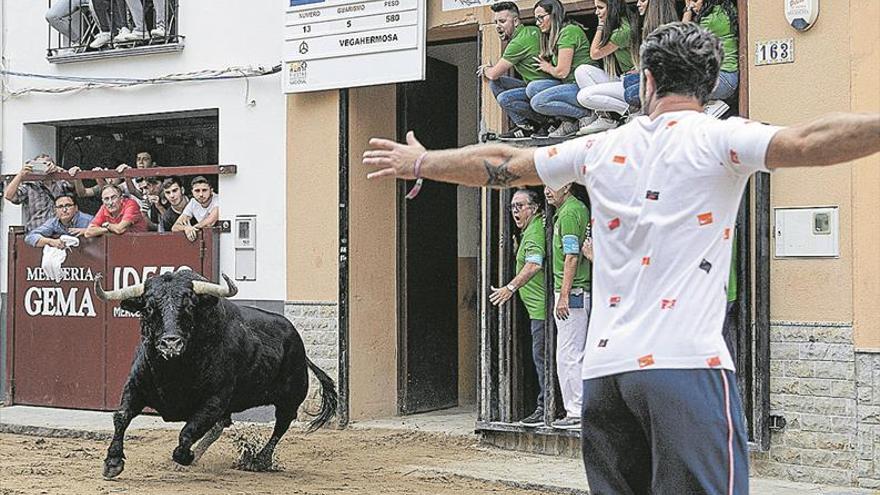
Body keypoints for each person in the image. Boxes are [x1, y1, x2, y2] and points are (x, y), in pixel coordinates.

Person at [362, 22, 880, 493]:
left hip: (607, 376)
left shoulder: (600, 146)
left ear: (647, 81)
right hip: (684, 366)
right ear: (708, 83)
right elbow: (812, 141)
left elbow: (505, 163)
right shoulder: (721, 137)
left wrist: (424, 161)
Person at [489, 189, 548, 426]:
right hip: (537, 310)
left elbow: (534, 264)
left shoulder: (533, 232)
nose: (515, 211)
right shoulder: (529, 232)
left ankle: (546, 408)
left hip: (542, 311)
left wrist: (509, 288)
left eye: (520, 206)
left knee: (543, 359)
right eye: (512, 207)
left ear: (534, 209)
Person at [545, 183, 590, 430]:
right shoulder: (571, 210)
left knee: (568, 354)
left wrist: (563, 295)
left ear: (568, 186)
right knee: (572, 352)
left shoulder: (571, 213)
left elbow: (572, 256)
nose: (546, 190)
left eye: (553, 185)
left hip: (573, 293)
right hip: (576, 292)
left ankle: (577, 412)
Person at [479, 2, 552, 141]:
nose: (497, 26)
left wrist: (485, 69)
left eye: (502, 21)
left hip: (542, 90)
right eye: (495, 22)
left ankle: (547, 121)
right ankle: (526, 126)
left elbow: (493, 73)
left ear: (516, 21)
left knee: (504, 98)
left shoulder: (517, 43)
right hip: (537, 86)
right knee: (497, 83)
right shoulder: (533, 30)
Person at [526, 0, 596, 138]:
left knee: (538, 102)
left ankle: (586, 115)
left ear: (554, 15)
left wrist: (547, 67)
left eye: (541, 17)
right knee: (532, 88)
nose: (537, 22)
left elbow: (561, 72)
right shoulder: (556, 35)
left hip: (581, 86)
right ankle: (569, 122)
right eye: (536, 19)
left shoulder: (569, 32)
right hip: (568, 84)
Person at [574, 0, 638, 134]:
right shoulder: (618, 26)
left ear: (613, 7)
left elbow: (595, 53)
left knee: (584, 96)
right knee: (582, 71)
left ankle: (629, 113)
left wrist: (601, 25)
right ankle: (606, 118)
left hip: (632, 83)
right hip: (621, 79)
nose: (596, 12)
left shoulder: (622, 31)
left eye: (600, 8)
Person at [684, 0, 739, 117]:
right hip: (728, 79)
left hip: (723, 79)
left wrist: (688, 9)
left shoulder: (709, 19)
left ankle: (708, 108)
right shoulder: (725, 11)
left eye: (695, 1)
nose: (693, 5)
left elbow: (681, 35)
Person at [3, 154, 73, 231]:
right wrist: (20, 175)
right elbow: (8, 196)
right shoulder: (30, 186)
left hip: (59, 232)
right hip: (37, 235)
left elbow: (75, 185)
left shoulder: (60, 183)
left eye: (46, 164)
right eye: (39, 165)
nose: (43, 167)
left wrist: (59, 170)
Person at [24, 193, 94, 248]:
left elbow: (103, 230)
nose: (64, 210)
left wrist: (87, 231)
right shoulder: (53, 222)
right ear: (55, 210)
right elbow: (30, 237)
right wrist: (51, 241)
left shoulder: (88, 220)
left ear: (76, 208)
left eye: (68, 205)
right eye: (60, 207)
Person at [85, 184, 149, 237]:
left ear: (121, 199)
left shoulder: (131, 204)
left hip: (140, 244)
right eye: (106, 199)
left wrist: (107, 225)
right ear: (103, 201)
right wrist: (108, 228)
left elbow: (119, 229)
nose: (110, 203)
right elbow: (88, 233)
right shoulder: (104, 207)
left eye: (113, 197)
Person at [172, 176, 219, 242]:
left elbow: (210, 222)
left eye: (204, 190)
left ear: (211, 191)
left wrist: (192, 228)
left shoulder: (218, 200)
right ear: (192, 192)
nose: (201, 194)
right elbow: (175, 227)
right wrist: (186, 228)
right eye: (197, 191)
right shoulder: (193, 202)